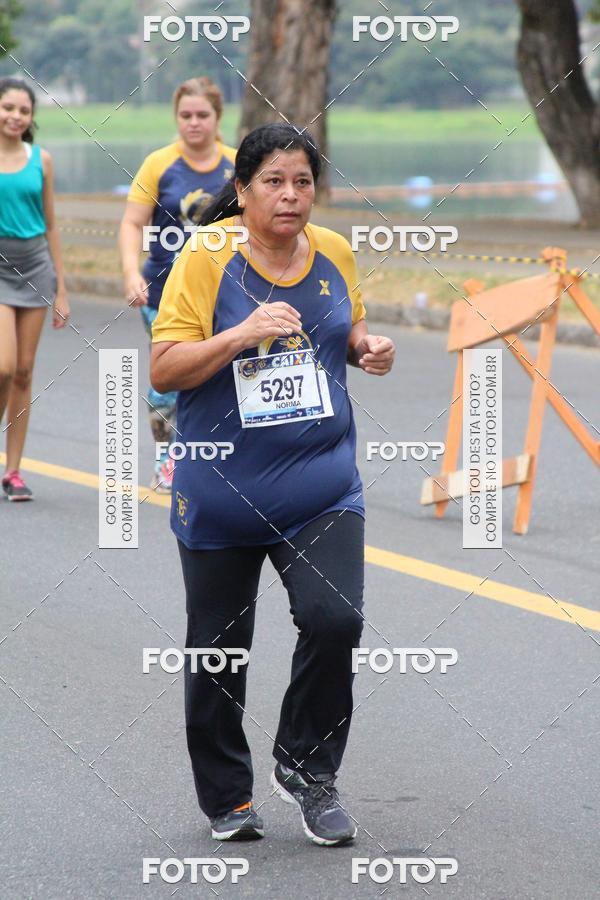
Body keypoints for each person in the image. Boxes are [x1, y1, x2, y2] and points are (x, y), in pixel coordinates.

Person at [150, 123, 395, 846]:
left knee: (336, 619)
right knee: (220, 649)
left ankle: (308, 771)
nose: (290, 196)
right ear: (242, 189)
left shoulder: (337, 254)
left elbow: (343, 329)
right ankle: (227, 796)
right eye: (274, 182)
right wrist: (239, 335)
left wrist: (365, 346)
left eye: (303, 182)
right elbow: (165, 368)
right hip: (223, 490)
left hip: (320, 488)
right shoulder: (207, 258)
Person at [119, 76, 236, 493]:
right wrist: (132, 273)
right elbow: (133, 223)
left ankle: (210, 459)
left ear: (217, 117)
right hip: (163, 292)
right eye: (185, 115)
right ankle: (166, 461)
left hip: (221, 291)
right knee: (168, 379)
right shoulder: (159, 164)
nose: (193, 123)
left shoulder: (237, 165)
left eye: (202, 115)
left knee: (217, 374)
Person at [0, 77, 69, 501]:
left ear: (31, 118)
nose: (15, 116)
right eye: (8, 107)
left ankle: (14, 472)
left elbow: (52, 224)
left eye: (23, 111)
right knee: (3, 367)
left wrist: (61, 288)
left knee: (24, 372)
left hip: (35, 269)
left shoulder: (40, 159)